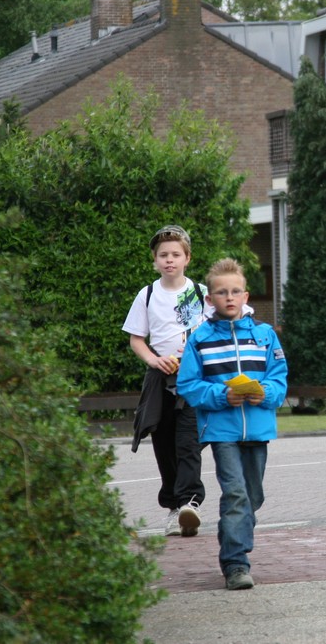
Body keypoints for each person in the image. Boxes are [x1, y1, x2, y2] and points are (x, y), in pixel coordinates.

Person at [177, 258, 288, 591]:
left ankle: (232, 538)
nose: (229, 297)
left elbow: (279, 379)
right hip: (222, 431)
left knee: (252, 496)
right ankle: (236, 563)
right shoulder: (200, 339)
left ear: (245, 296)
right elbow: (188, 385)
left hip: (258, 429)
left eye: (235, 291)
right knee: (235, 493)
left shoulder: (265, 335)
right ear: (210, 299)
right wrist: (222, 395)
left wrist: (265, 393)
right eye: (222, 292)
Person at [123, 225, 212, 538]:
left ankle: (190, 503)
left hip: (194, 380)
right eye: (163, 255)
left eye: (176, 254)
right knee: (163, 443)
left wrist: (197, 353)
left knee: (188, 442)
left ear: (187, 258)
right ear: (155, 260)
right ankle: (175, 507)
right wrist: (154, 360)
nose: (169, 260)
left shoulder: (202, 293)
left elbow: (217, 332)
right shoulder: (147, 294)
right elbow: (136, 339)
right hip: (160, 380)